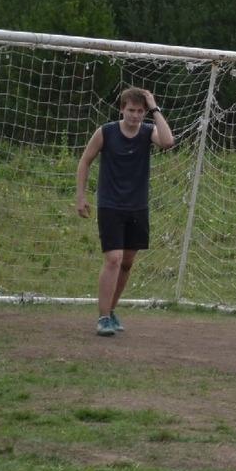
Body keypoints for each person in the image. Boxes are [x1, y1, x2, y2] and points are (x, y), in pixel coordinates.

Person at [75, 87, 174, 336]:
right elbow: (85, 161)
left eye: (140, 111)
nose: (135, 115)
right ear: (122, 109)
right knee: (113, 259)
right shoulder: (106, 132)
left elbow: (168, 142)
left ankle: (111, 310)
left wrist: (154, 107)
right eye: (131, 110)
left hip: (137, 206)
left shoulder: (148, 131)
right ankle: (103, 317)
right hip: (110, 205)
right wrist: (81, 196)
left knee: (127, 263)